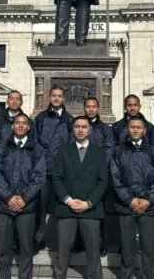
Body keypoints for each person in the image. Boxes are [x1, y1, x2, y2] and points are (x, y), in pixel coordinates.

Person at [53, 115, 108, 279]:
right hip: (66, 208)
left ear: (90, 130)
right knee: (63, 251)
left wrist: (89, 203)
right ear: (72, 129)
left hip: (90, 208)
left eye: (84, 126)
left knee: (93, 252)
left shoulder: (99, 153)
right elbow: (56, 178)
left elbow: (103, 181)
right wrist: (68, 200)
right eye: (77, 126)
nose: (80, 129)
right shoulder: (63, 150)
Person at [0, 114, 46, 279]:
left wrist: (24, 198)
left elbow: (39, 177)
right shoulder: (1, 147)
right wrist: (8, 197)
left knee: (26, 249)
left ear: (29, 127)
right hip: (4, 206)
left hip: (27, 207)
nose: (21, 126)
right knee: (4, 249)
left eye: (24, 123)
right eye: (17, 123)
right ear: (12, 126)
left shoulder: (37, 149)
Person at [110, 117, 154, 279]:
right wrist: (129, 200)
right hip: (126, 207)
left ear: (144, 130)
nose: (135, 130)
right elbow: (115, 178)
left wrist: (148, 200)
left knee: (148, 249)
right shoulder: (118, 150)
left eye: (138, 127)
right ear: (127, 129)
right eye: (132, 127)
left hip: (149, 208)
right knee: (127, 248)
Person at [32, 86, 74, 251]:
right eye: (54, 95)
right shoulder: (41, 118)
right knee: (40, 206)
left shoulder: (69, 120)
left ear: (64, 99)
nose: (56, 98)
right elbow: (34, 143)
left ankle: (60, 240)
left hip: (61, 171)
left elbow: (72, 145)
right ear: (49, 97)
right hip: (43, 170)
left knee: (62, 205)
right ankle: (38, 238)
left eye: (60, 96)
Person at [0, 90, 27, 256]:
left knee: (20, 206)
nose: (14, 102)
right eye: (11, 99)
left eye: (18, 99)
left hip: (21, 169)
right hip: (2, 170)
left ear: (21, 102)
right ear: (7, 101)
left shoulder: (26, 121)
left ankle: (17, 240)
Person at [84, 97, 114, 256]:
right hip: (80, 175)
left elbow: (109, 150)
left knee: (99, 209)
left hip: (98, 175)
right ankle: (79, 242)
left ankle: (100, 242)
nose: (90, 109)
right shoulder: (78, 126)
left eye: (93, 106)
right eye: (88, 106)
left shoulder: (105, 129)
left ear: (98, 108)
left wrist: (98, 168)